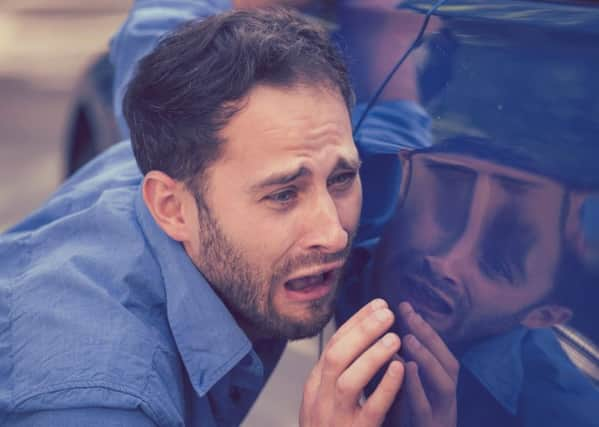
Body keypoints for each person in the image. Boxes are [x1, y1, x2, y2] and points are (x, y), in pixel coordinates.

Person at [0, 9, 407, 426]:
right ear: (172, 208)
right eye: (283, 194)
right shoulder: (99, 401)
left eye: (341, 178)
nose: (333, 233)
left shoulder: (187, 157)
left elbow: (158, 25)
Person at [338, 139, 599, 427]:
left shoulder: (562, 415)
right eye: (447, 215)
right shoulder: (313, 264)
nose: (445, 262)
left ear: (544, 315)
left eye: (499, 262)